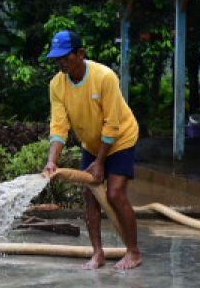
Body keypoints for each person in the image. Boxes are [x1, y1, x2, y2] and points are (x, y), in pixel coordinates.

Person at [41, 29, 143, 270]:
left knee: (114, 194)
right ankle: (98, 254)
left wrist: (100, 163)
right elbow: (59, 126)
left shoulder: (105, 77)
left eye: (65, 58)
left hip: (120, 139)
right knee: (89, 196)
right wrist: (51, 161)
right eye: (57, 59)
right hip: (92, 143)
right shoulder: (57, 85)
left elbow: (112, 124)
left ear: (80, 54)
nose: (60, 63)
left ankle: (134, 252)